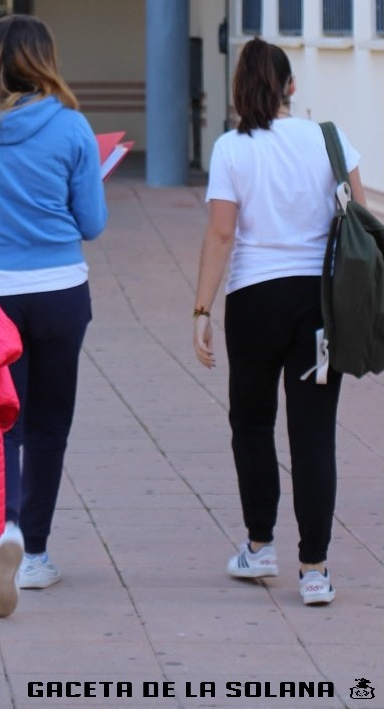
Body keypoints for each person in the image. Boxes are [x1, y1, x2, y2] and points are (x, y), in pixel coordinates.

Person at [0, 14, 108, 618]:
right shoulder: (71, 126)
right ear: (43, 61)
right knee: (50, 424)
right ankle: (34, 553)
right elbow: (92, 223)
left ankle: (3, 528)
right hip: (60, 290)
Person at [192, 38, 365, 606]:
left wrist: (202, 309)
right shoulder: (331, 140)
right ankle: (314, 570)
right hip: (319, 303)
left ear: (240, 90)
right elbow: (359, 219)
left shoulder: (230, 148)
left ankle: (260, 546)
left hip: (253, 301)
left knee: (251, 422)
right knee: (313, 433)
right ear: (291, 85)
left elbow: (222, 234)